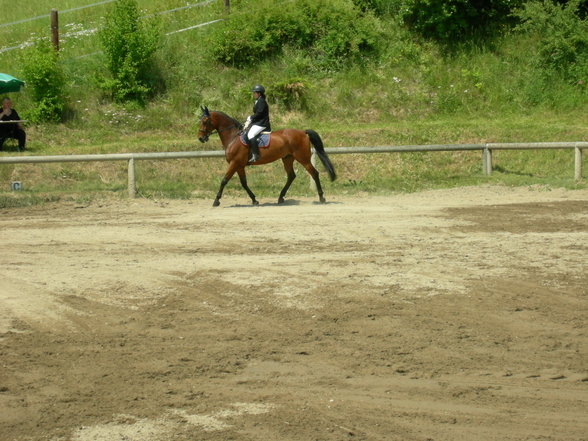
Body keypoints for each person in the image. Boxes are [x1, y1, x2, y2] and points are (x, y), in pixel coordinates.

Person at [243, 84, 271, 162]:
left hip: (262, 124)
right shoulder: (258, 101)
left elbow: (259, 113)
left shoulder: (261, 101)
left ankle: (255, 154)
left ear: (259, 93)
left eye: (254, 93)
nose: (253, 94)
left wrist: (251, 117)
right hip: (258, 122)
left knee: (250, 134)